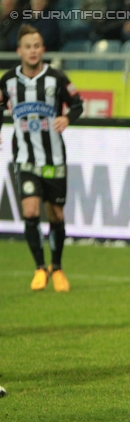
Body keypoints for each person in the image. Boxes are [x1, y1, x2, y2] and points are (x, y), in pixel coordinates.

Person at [0, 25, 84, 292]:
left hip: (54, 159)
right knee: (30, 210)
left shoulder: (56, 78)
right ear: (19, 51)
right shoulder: (8, 80)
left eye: (37, 46)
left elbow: (78, 103)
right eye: (28, 46)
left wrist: (67, 117)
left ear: (43, 50)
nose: (33, 50)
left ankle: (56, 268)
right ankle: (39, 268)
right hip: (24, 157)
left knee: (56, 214)